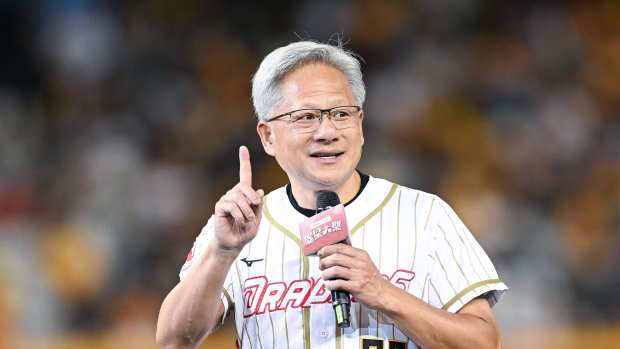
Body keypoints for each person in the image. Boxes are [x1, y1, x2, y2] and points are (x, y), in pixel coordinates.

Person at [156, 41, 508, 349]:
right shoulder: (238, 225)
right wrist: (222, 252)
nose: (327, 131)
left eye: (341, 114)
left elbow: (484, 343)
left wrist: (382, 293)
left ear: (360, 125)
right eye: (306, 116)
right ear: (267, 137)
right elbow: (173, 341)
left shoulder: (424, 214)